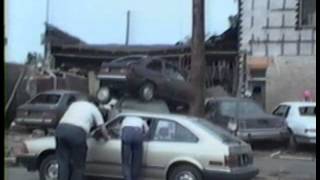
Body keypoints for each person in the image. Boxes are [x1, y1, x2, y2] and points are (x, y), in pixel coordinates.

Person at [55, 96, 109, 180]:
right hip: (76, 133)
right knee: (78, 165)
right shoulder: (94, 108)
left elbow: (71, 119)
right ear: (96, 104)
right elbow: (102, 128)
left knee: (63, 163)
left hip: (60, 129)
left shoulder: (74, 105)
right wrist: (107, 137)